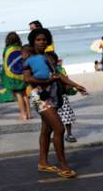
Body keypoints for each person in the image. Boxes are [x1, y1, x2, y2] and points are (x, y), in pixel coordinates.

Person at [23, 28, 86, 179]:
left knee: (46, 130)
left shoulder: (47, 57)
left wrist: (76, 85)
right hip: (40, 97)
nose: (42, 42)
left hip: (53, 96)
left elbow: (58, 75)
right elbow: (27, 79)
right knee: (59, 128)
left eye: (44, 39)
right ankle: (63, 166)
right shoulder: (29, 58)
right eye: (38, 39)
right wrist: (47, 81)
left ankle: (43, 162)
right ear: (33, 41)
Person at [46, 52, 77, 142]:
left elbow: (67, 80)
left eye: (51, 60)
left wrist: (69, 87)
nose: (49, 62)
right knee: (52, 118)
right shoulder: (45, 71)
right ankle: (54, 135)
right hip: (50, 98)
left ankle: (69, 134)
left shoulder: (60, 70)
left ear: (56, 61)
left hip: (62, 96)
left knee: (67, 117)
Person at [2, 32, 30, 120]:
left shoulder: (7, 49)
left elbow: (5, 61)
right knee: (24, 94)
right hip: (22, 73)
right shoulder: (21, 48)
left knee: (18, 94)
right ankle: (28, 114)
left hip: (13, 75)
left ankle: (23, 114)